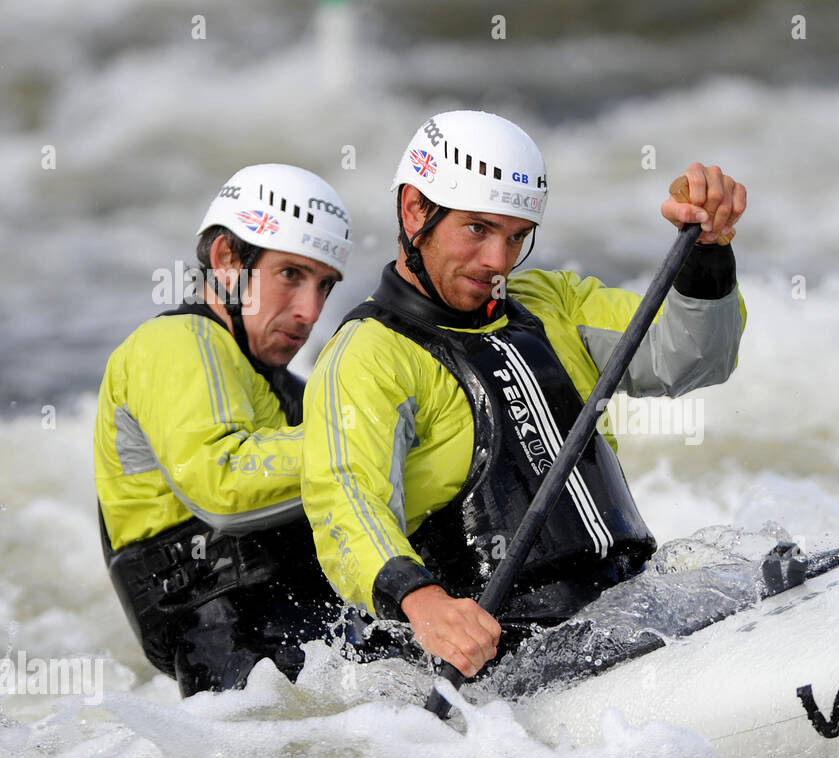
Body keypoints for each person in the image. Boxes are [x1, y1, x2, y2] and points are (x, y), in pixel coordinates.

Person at [301, 110, 747, 679]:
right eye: (478, 230)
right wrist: (422, 601)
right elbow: (345, 503)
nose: (498, 262)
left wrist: (706, 252)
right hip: (508, 660)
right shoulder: (367, 355)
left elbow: (693, 359)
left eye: (516, 237)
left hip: (630, 607)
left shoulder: (551, 302)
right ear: (415, 209)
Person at [94, 163, 393, 696]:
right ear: (227, 260)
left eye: (324, 285)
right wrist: (375, 437)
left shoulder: (290, 390)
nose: (309, 312)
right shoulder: (171, 344)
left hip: (300, 624)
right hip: (224, 633)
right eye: (290, 275)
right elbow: (225, 485)